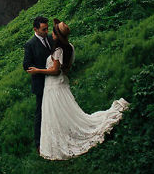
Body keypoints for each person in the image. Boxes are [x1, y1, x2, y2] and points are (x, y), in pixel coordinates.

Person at [27, 18, 129, 160]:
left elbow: (56, 71)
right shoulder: (70, 47)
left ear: (57, 35)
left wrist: (38, 70)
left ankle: (61, 137)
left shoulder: (57, 50)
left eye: (53, 31)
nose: (50, 33)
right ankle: (61, 133)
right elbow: (65, 69)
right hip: (62, 83)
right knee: (63, 111)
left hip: (54, 85)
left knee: (55, 112)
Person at [23, 15, 54, 152]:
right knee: (40, 113)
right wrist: (41, 70)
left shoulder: (50, 39)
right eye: (43, 29)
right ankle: (38, 143)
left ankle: (53, 134)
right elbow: (26, 66)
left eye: (47, 29)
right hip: (41, 83)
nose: (46, 32)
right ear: (35, 29)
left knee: (53, 108)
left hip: (53, 81)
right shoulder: (30, 44)